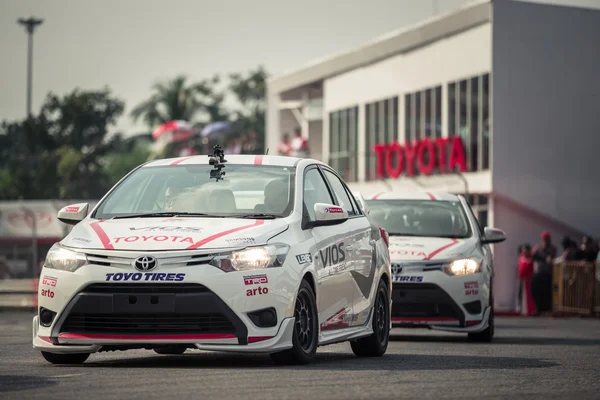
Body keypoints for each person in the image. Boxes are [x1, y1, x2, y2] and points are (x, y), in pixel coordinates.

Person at [531, 231, 556, 314]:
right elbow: (533, 256)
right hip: (538, 273)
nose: (546, 240)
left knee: (547, 292)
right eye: (545, 239)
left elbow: (551, 257)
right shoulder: (538, 248)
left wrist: (545, 257)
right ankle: (538, 308)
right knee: (536, 291)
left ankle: (547, 309)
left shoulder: (552, 248)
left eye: (548, 239)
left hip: (547, 274)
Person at [518, 244, 536, 316]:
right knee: (522, 295)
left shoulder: (530, 259)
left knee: (529, 295)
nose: (524, 251)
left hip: (529, 279)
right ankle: (523, 310)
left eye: (526, 250)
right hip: (523, 279)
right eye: (523, 249)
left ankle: (530, 310)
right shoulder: (521, 258)